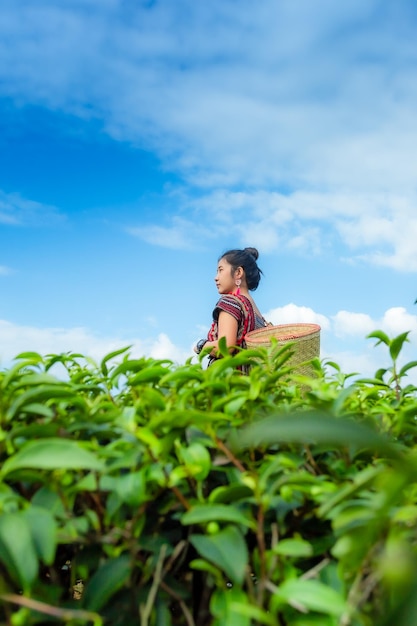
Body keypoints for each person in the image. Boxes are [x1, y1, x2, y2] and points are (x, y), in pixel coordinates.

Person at [194, 247, 268, 365]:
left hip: (229, 379)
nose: (216, 277)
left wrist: (201, 346)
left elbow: (225, 347)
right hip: (252, 380)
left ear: (238, 272)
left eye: (220, 270)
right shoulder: (258, 314)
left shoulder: (230, 303)